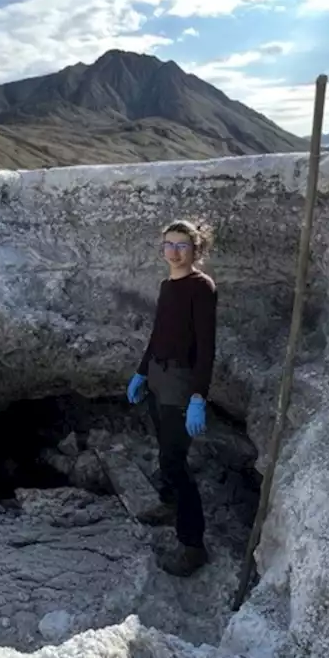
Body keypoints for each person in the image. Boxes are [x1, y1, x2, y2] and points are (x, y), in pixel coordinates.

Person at [126, 219, 218, 577]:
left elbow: (206, 348)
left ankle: (193, 546)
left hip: (180, 381)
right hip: (158, 377)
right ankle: (168, 503)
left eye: (182, 245)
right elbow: (158, 334)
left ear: (196, 249)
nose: (175, 252)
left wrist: (199, 396)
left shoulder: (201, 287)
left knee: (176, 463)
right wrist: (141, 371)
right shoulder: (168, 285)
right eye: (169, 244)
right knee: (165, 447)